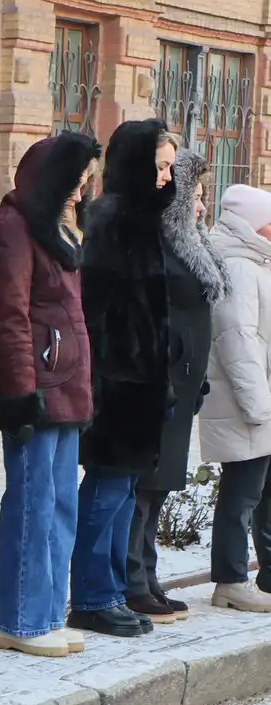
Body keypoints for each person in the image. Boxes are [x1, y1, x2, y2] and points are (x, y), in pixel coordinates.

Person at [0, 132, 102, 657]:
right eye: (74, 180)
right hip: (36, 389)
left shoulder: (55, 231)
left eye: (87, 180)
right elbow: (11, 322)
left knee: (61, 506)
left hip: (65, 387)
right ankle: (21, 620)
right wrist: (23, 395)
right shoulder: (13, 231)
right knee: (32, 506)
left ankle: (48, 612)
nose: (81, 191)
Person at [73, 122, 178, 638]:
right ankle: (92, 596)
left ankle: (110, 591)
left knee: (122, 490)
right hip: (117, 383)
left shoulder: (142, 219)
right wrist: (111, 379)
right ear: (135, 164)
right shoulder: (114, 219)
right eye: (159, 166)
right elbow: (99, 309)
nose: (166, 177)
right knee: (107, 489)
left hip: (141, 383)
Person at [127, 149, 226, 623]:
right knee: (143, 486)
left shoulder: (194, 245)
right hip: (158, 383)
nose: (203, 207)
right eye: (198, 197)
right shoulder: (158, 246)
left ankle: (148, 575)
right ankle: (131, 580)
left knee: (161, 484)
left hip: (184, 385)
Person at [200, 185, 271, 612]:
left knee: (264, 492)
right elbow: (236, 339)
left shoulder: (256, 261)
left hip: (260, 396)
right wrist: (257, 404)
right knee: (242, 492)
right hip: (246, 400)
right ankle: (229, 580)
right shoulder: (239, 266)